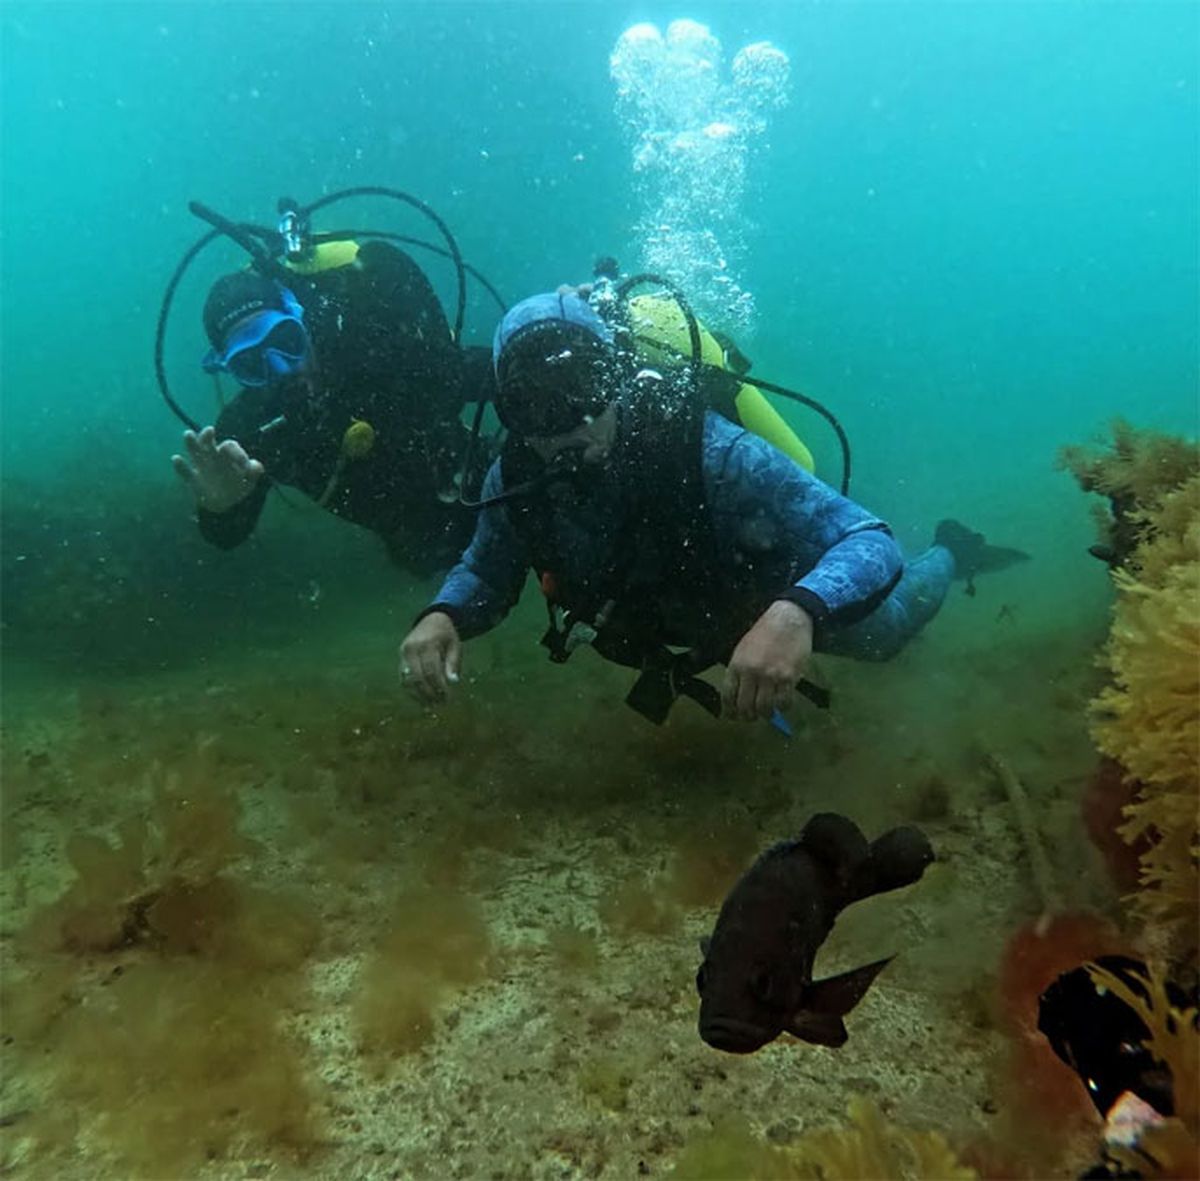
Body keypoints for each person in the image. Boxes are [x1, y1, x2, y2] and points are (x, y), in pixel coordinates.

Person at [399, 291, 1027, 724]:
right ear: (507, 411)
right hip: (674, 622)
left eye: (582, 391)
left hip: (760, 597)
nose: (564, 426)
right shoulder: (515, 474)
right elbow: (486, 568)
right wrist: (444, 615)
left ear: (616, 379)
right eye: (533, 406)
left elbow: (868, 540)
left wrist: (796, 613)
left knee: (888, 631)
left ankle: (953, 549)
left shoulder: (706, 448)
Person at [171, 238, 493, 575]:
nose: (283, 370)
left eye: (285, 341)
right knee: (425, 555)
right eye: (251, 364)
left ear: (300, 318)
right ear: (228, 370)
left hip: (493, 496)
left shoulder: (372, 350)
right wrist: (221, 506)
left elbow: (487, 372)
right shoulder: (249, 431)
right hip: (422, 550)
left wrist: (547, 341)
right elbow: (226, 535)